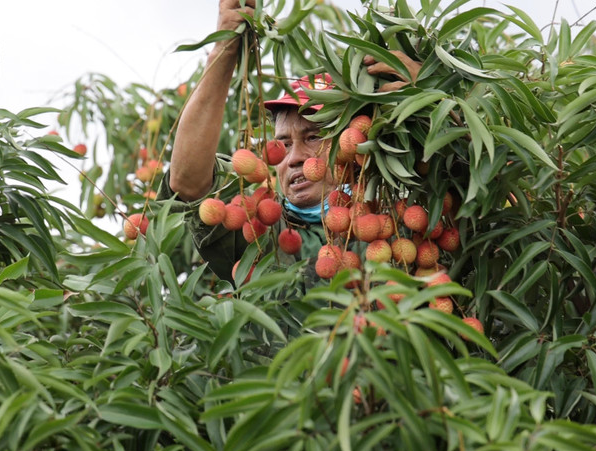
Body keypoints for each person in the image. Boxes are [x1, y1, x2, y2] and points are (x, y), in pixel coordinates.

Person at [159, 0, 420, 285]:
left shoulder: (400, 226)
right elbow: (187, 184)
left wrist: (430, 101)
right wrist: (224, 51)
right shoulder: (262, 234)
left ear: (357, 145)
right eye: (282, 143)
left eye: (313, 137)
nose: (294, 157)